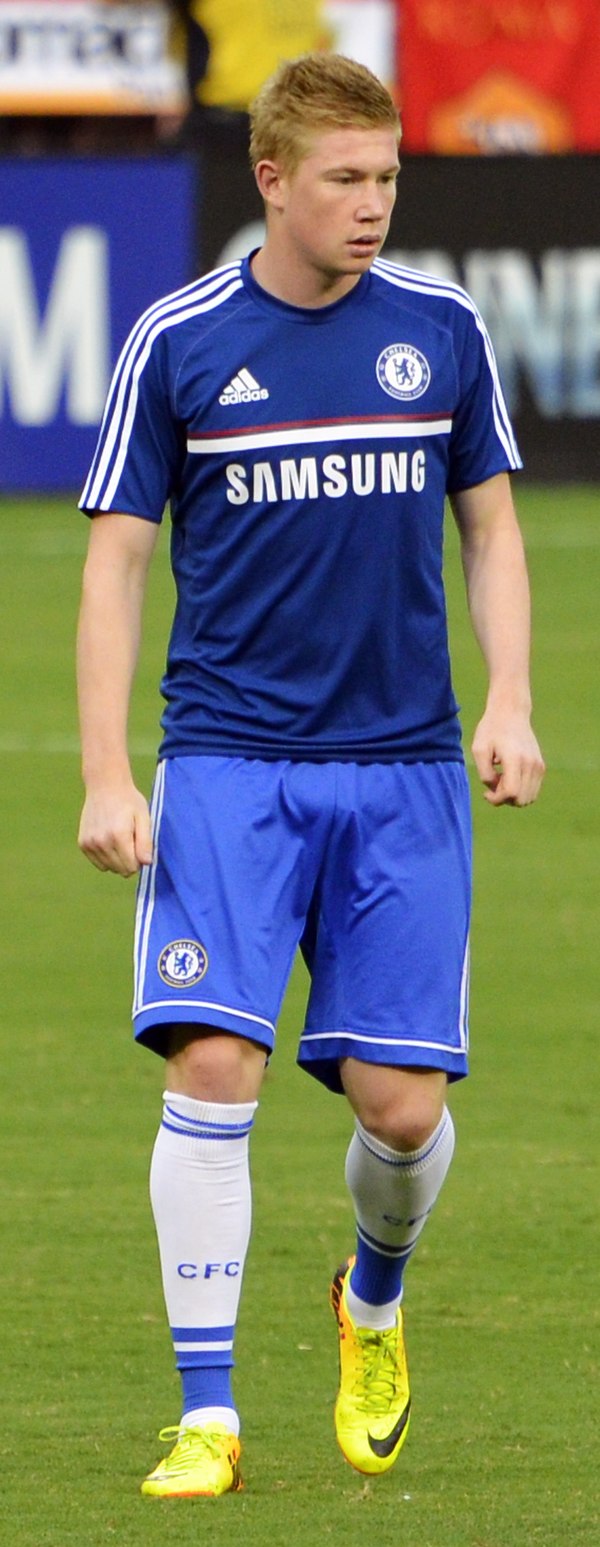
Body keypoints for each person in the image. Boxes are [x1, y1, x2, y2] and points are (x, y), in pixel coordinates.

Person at [76, 51, 545, 1499]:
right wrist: (108, 771)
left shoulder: (443, 332)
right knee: (213, 1064)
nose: (374, 204)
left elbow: (494, 533)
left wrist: (511, 698)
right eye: (346, 178)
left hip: (403, 767)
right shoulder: (181, 339)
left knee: (402, 1113)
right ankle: (207, 1416)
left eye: (388, 175)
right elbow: (116, 563)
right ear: (271, 180)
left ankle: (374, 1300)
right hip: (227, 761)